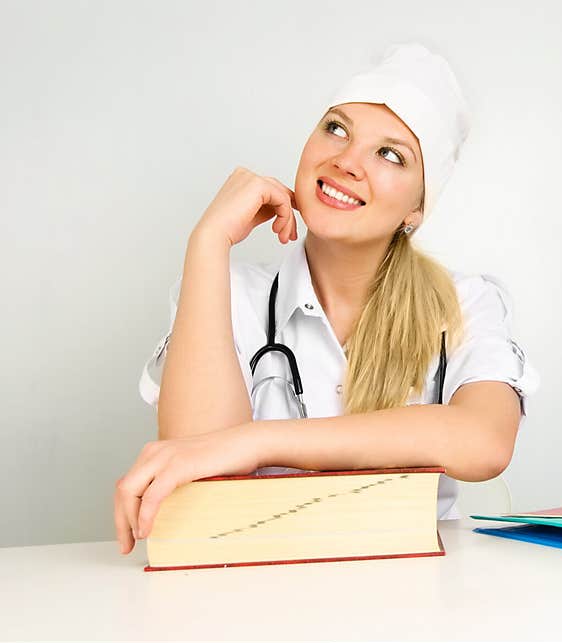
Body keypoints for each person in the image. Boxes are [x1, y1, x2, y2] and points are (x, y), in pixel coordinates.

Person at [115, 42, 539, 555]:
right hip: (251, 593)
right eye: (336, 129)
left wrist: (253, 442)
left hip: (415, 601)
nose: (346, 162)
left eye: (390, 155)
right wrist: (207, 242)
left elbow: (484, 442)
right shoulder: (229, 296)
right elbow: (194, 483)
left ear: (416, 209)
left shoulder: (465, 303)